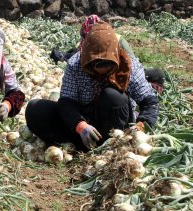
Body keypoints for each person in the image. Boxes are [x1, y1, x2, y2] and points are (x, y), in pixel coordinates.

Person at [26, 22, 160, 151]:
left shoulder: (129, 65)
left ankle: (111, 145)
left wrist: (140, 126)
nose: (101, 71)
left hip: (116, 124)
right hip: (85, 119)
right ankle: (82, 143)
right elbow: (67, 102)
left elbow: (150, 103)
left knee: (112, 96)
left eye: (107, 65)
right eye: (96, 64)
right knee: (35, 109)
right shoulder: (75, 64)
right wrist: (80, 125)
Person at [50, 15, 166, 94]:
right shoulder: (86, 41)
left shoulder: (118, 40)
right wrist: (63, 57)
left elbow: (132, 62)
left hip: (120, 67)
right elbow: (77, 54)